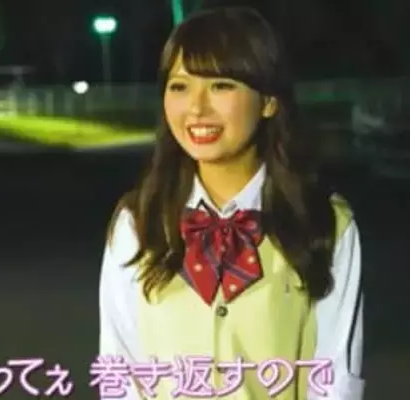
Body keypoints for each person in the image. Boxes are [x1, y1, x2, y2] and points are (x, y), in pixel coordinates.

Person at [98, 6, 364, 400]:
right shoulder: (137, 222)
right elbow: (120, 372)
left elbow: (337, 379)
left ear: (268, 100)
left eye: (221, 86)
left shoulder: (325, 222)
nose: (196, 107)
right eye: (179, 86)